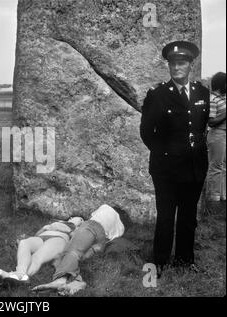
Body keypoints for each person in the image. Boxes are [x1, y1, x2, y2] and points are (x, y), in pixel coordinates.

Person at [140, 41, 210, 277]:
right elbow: (147, 132)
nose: (176, 67)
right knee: (166, 215)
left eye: (182, 63)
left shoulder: (202, 92)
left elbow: (200, 128)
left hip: (194, 166)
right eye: (173, 63)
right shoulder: (158, 94)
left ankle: (184, 258)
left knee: (189, 216)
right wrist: (165, 154)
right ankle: (160, 260)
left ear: (191, 64)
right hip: (166, 169)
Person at [32, 205, 126, 296]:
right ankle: (76, 282)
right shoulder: (117, 226)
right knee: (73, 257)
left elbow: (77, 233)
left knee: (73, 251)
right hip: (102, 242)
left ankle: (61, 279)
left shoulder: (101, 212)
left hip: (92, 226)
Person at [0, 216, 84, 284]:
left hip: (58, 240)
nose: (80, 220)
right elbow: (38, 234)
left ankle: (12, 275)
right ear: (70, 218)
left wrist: (72, 230)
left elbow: (76, 241)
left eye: (82, 219)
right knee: (24, 243)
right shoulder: (57, 222)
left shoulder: (79, 228)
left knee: (37, 257)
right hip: (41, 238)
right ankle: (19, 275)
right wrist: (45, 228)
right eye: (78, 218)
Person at [206, 72, 226, 210]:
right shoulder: (212, 99)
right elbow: (211, 122)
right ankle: (213, 199)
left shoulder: (224, 97)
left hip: (225, 134)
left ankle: (223, 196)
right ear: (221, 84)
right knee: (216, 167)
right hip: (217, 134)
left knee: (224, 167)